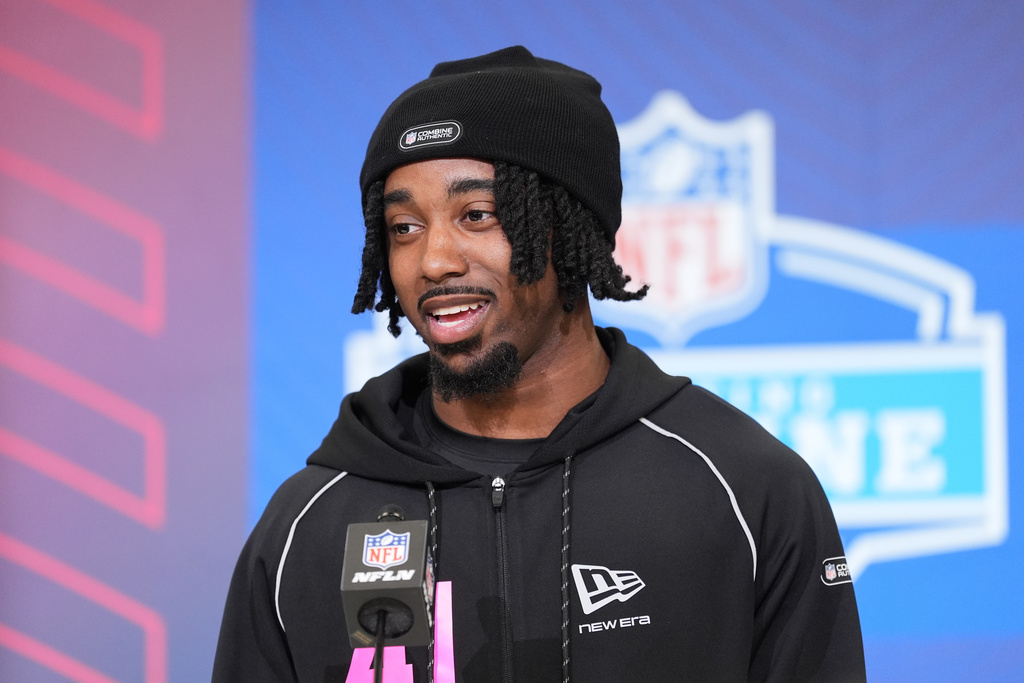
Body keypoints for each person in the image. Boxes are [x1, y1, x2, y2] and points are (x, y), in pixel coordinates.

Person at [213, 46, 865, 682]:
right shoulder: (308, 523)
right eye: (404, 227)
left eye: (478, 214)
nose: (434, 260)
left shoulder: (746, 490)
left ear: (572, 227)